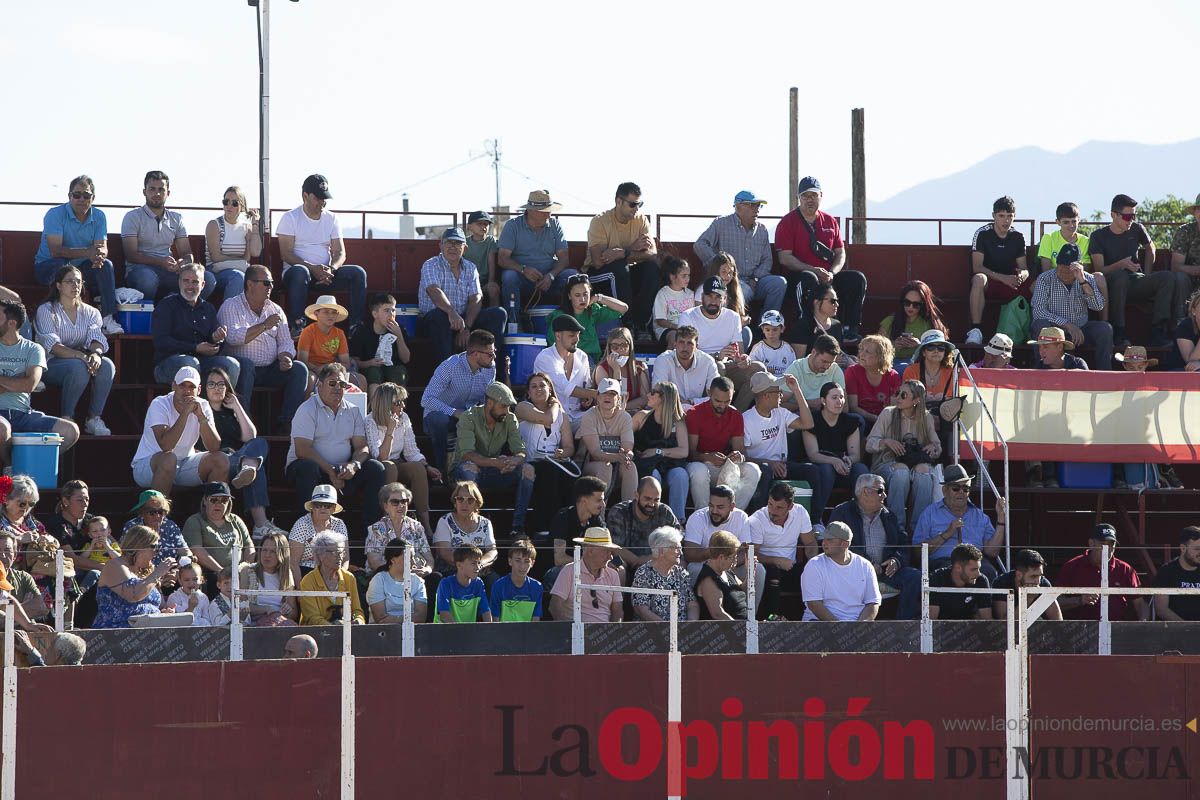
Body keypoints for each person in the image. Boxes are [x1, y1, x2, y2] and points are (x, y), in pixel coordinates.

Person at [285, 362, 387, 526]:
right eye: (332, 383)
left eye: (342, 384)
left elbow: (362, 446)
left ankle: (370, 531)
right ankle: (304, 528)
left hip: (342, 470)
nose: (338, 388)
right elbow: (302, 449)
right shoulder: (306, 409)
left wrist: (354, 465)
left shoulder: (353, 411)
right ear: (319, 386)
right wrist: (330, 470)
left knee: (375, 468)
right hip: (311, 469)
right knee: (307, 468)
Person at [1089, 193, 1188, 348]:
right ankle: (1119, 333)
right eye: (1127, 217)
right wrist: (1121, 264)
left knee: (1167, 277)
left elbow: (1151, 248)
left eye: (1134, 216)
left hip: (1136, 281)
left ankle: (1158, 331)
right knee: (1120, 276)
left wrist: (1147, 273)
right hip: (1112, 287)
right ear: (1113, 215)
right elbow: (1100, 270)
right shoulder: (1098, 236)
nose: (1131, 220)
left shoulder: (1137, 229)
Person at [218, 264, 309, 430]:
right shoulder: (231, 306)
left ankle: (287, 423)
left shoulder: (276, 309)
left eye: (272, 283)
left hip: (269, 369)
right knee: (245, 364)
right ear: (250, 284)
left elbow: (286, 342)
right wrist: (264, 326)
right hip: (241, 370)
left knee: (299, 369)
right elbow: (232, 338)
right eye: (266, 283)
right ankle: (242, 423)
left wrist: (285, 356)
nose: (271, 287)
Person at [775, 176, 866, 340]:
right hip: (801, 277)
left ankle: (850, 329)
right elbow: (784, 258)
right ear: (799, 198)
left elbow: (840, 252)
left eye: (814, 195)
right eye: (805, 196)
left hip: (828, 277)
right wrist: (813, 270)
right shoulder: (787, 222)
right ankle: (806, 325)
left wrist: (832, 272)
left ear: (821, 196)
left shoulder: (830, 221)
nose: (810, 200)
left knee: (857, 278)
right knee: (807, 277)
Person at [277, 174, 367, 336]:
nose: (322, 202)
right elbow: (286, 254)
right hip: (298, 276)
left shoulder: (332, 218)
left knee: (357, 273)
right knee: (299, 271)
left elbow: (340, 252)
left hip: (326, 274)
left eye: (324, 198)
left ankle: (356, 326)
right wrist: (313, 269)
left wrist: (331, 269)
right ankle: (297, 324)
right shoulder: (290, 218)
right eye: (318, 198)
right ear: (305, 196)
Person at [33, 174, 122, 333]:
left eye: (86, 195)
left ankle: (108, 318)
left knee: (106, 265)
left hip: (80, 269)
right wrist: (88, 253)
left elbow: (102, 247)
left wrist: (99, 255)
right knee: (62, 267)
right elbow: (55, 250)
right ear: (69, 196)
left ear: (93, 198)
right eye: (77, 195)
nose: (81, 199)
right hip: (47, 267)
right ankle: (55, 318)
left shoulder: (100, 216)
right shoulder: (54, 214)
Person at [828, 473, 921, 619]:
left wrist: (896, 560)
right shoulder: (842, 512)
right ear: (865, 492)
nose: (884, 495)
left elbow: (904, 544)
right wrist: (868, 564)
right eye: (880, 491)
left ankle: (905, 626)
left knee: (915, 577)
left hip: (886, 572)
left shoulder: (889, 515)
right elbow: (836, 544)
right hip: (854, 571)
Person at [35, 264, 115, 434]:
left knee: (107, 365)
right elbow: (53, 346)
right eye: (69, 281)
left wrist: (96, 354)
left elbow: (97, 338)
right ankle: (67, 418)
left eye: (78, 281)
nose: (75, 285)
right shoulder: (46, 310)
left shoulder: (91, 312)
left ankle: (94, 419)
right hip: (49, 365)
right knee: (79, 367)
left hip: (81, 360)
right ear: (58, 285)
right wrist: (81, 356)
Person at [451, 381, 533, 538]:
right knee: (469, 469)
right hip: (465, 470)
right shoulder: (468, 418)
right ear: (489, 403)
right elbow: (467, 454)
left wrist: (514, 461)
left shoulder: (509, 418)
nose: (507, 411)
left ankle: (518, 527)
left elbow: (521, 451)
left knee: (528, 470)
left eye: (509, 406)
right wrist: (496, 462)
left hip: (494, 470)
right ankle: (472, 525)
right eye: (503, 406)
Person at [0, 301, 79, 462]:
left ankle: (32, 467)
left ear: (11, 323)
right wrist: (18, 381)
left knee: (70, 431)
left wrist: (9, 383)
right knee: (2, 429)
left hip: (24, 414)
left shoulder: (33, 349)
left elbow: (30, 384)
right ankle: (9, 471)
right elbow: (24, 382)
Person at [131, 366, 229, 495]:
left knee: (221, 460)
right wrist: (185, 413)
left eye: (191, 387)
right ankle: (159, 512)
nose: (187, 391)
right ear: (173, 386)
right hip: (147, 466)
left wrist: (201, 417)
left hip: (183, 463)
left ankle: (211, 511)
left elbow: (214, 447)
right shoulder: (159, 404)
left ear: (199, 390)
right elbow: (166, 446)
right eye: (182, 386)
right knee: (169, 458)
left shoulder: (203, 405)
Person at [419, 227, 507, 367]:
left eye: (458, 243)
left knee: (498, 314)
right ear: (441, 246)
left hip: (465, 320)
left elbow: (476, 298)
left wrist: (466, 328)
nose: (453, 247)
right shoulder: (431, 265)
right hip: (436, 320)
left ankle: (490, 369)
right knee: (438, 316)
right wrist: (451, 312)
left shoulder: (471, 268)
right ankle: (447, 374)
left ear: (465, 248)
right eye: (449, 243)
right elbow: (434, 291)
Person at [203, 367, 275, 537]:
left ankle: (247, 469)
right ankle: (260, 524)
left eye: (221, 384)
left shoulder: (230, 412)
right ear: (204, 388)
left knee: (259, 444)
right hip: (216, 461)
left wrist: (236, 406)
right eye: (211, 384)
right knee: (256, 466)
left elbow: (250, 436)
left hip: (237, 459)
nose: (217, 388)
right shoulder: (200, 410)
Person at [121, 170, 211, 302]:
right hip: (139, 270)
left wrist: (183, 263)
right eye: (152, 189)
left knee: (207, 278)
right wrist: (160, 262)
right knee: (147, 279)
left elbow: (187, 253)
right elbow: (131, 255)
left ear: (168, 193)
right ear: (144, 192)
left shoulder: (176, 218)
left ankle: (184, 315)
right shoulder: (132, 217)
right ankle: (149, 318)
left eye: (161, 190)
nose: (157, 194)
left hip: (169, 271)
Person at [677, 276, 764, 410]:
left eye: (718, 296)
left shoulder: (733, 317)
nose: (713, 300)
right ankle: (716, 415)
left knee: (758, 370)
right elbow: (686, 353)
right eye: (709, 296)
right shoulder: (688, 316)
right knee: (718, 366)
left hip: (726, 365)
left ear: (724, 299)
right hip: (698, 368)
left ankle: (736, 414)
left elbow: (739, 352)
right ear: (702, 296)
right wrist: (717, 355)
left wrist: (742, 359)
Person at [583, 182, 660, 332]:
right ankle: (627, 324)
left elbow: (652, 255)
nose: (636, 209)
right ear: (618, 201)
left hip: (624, 273)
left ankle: (642, 325)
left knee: (651, 269)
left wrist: (624, 253)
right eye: (633, 204)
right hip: (597, 276)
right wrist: (631, 250)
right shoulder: (600, 221)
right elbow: (598, 261)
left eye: (639, 204)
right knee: (618, 269)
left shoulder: (641, 220)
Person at [693, 190, 786, 314]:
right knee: (742, 289)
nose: (757, 209)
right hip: (729, 281)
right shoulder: (721, 224)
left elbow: (767, 260)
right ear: (738, 207)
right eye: (752, 205)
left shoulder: (762, 230)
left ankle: (767, 325)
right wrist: (718, 265)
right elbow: (700, 245)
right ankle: (736, 328)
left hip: (755, 281)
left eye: (759, 206)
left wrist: (755, 279)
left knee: (778, 283)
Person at [865, 379, 940, 533]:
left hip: (915, 464)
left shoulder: (926, 418)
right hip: (886, 464)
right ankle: (896, 527)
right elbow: (869, 444)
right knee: (901, 472)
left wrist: (933, 448)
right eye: (897, 393)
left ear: (916, 400)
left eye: (903, 395)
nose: (898, 397)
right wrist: (886, 442)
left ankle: (919, 528)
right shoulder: (888, 413)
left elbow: (937, 447)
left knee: (924, 472)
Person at [151, 264, 241, 386]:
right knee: (190, 364)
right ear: (179, 282)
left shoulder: (208, 308)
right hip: (168, 363)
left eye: (195, 282)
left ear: (203, 285)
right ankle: (192, 404)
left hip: (202, 362)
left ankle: (223, 404)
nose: (190, 286)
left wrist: (216, 339)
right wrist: (195, 348)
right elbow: (161, 341)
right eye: (186, 281)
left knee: (231, 364)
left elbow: (214, 342)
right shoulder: (166, 305)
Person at [741, 372, 820, 511]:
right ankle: (756, 519)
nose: (781, 395)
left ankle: (815, 521)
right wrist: (770, 463)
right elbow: (742, 457)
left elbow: (808, 424)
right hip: (760, 468)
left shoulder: (781, 412)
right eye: (778, 391)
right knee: (765, 472)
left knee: (812, 471)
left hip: (782, 466)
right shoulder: (745, 420)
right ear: (766, 396)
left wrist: (797, 390)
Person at [422, 329, 498, 472]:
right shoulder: (449, 366)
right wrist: (455, 413)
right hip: (441, 418)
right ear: (475, 354)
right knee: (439, 420)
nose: (494, 356)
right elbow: (426, 399)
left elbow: (485, 398)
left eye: (494, 351)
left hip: (469, 417)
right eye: (490, 353)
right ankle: (442, 471)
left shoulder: (490, 367)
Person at [912, 464, 1006, 579]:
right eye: (956, 488)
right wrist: (946, 534)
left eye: (965, 488)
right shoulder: (930, 513)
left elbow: (992, 552)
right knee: (950, 573)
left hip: (974, 562)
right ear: (945, 490)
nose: (961, 492)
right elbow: (917, 552)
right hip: (943, 562)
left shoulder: (980, 517)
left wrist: (1001, 518)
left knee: (990, 572)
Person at [365, 383, 437, 531]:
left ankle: (426, 525)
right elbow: (380, 457)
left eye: (403, 401)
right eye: (398, 403)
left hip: (398, 463)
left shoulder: (404, 417)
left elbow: (411, 451)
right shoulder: (370, 421)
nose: (403, 406)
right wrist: (390, 429)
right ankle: (388, 521)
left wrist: (426, 466)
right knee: (390, 467)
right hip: (380, 467)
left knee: (417, 468)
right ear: (386, 405)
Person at [681, 484, 765, 607]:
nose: (714, 511)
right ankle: (697, 617)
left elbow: (747, 551)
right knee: (693, 569)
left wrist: (728, 562)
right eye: (711, 505)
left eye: (720, 507)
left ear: (732, 506)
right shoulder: (697, 518)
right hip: (705, 565)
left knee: (759, 570)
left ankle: (748, 618)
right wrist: (715, 553)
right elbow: (689, 554)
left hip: (732, 564)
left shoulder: (741, 517)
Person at [1030, 243, 1111, 370]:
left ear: (1078, 267)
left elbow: (1098, 306)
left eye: (1070, 268)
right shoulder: (1045, 278)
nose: (1064, 271)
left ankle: (1105, 375)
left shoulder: (1087, 279)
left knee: (1105, 329)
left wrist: (1083, 282)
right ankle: (1040, 371)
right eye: (1061, 266)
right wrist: (1067, 325)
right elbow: (1038, 311)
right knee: (1039, 325)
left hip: (1081, 329)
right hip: (1055, 330)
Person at [685, 376, 761, 511]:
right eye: (718, 401)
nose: (722, 405)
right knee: (699, 471)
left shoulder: (736, 415)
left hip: (724, 466)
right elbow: (690, 453)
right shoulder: (694, 413)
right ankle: (702, 516)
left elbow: (740, 451)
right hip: (702, 464)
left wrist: (738, 456)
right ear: (709, 394)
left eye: (727, 401)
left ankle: (734, 514)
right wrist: (707, 457)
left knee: (752, 470)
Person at [497, 190, 577, 316]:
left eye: (549, 211)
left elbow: (564, 258)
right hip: (522, 279)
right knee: (509, 277)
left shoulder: (555, 225)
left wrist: (551, 276)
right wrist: (523, 269)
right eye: (545, 211)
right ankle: (514, 322)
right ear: (530, 211)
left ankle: (570, 322)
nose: (549, 215)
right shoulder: (512, 226)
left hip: (550, 279)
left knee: (572, 276)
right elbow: (502, 259)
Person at [365, 482, 438, 618]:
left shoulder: (416, 527)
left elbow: (429, 558)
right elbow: (374, 562)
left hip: (414, 576)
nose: (401, 505)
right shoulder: (376, 529)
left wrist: (426, 570)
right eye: (395, 502)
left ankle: (427, 624)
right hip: (385, 576)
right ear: (385, 506)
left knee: (434, 578)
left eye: (404, 501)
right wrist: (401, 571)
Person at [515, 372, 576, 535]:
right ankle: (544, 527)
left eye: (542, 385)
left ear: (549, 388)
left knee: (566, 474)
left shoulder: (562, 416)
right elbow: (548, 419)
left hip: (554, 461)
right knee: (548, 472)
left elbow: (570, 447)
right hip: (529, 462)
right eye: (533, 386)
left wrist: (563, 452)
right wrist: (555, 404)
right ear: (528, 392)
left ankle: (567, 527)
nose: (538, 389)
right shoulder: (523, 407)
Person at [966, 196, 1030, 345]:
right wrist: (1003, 278)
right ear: (994, 216)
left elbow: (1024, 268)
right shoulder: (983, 234)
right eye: (1001, 216)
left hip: (1011, 283)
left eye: (1010, 216)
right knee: (978, 279)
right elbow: (977, 267)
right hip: (990, 282)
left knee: (1038, 284)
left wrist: (1022, 275)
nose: (1006, 221)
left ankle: (1033, 332)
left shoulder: (1018, 236)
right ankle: (976, 330)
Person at [749, 481, 816, 618]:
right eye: (770, 505)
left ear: (790, 506)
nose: (773, 511)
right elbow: (751, 554)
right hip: (765, 566)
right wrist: (776, 561)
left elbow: (810, 543)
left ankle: (807, 619)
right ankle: (770, 618)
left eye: (779, 507)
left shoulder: (800, 512)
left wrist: (813, 563)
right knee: (773, 575)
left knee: (814, 574)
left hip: (790, 565)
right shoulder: (757, 519)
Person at [1057, 524, 1148, 621]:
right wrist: (1080, 600)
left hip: (1117, 629)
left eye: (1111, 544)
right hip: (1080, 631)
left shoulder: (1125, 569)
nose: (1108, 548)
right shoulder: (1072, 567)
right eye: (1103, 544)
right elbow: (1055, 603)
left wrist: (1143, 625)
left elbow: (1140, 604)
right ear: (1091, 543)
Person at [804, 382, 870, 514]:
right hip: (821, 465)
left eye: (841, 397)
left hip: (843, 466)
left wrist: (848, 460)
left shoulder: (850, 421)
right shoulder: (811, 421)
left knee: (861, 469)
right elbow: (813, 454)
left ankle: (861, 514)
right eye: (834, 397)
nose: (839, 401)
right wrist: (834, 461)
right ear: (823, 400)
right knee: (826, 470)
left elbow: (855, 454)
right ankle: (817, 518)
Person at [92, 525, 176, 628]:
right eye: (154, 547)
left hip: (150, 634)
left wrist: (166, 612)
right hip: (116, 633)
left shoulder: (149, 572)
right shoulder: (115, 565)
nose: (156, 553)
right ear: (138, 546)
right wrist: (158, 573)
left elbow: (161, 605)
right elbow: (133, 595)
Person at [630, 382, 690, 519]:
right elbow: (626, 439)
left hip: (669, 464)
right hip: (646, 464)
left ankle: (677, 520)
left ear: (663, 398)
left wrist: (658, 451)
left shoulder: (678, 422)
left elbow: (683, 451)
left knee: (680, 475)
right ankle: (654, 518)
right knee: (654, 477)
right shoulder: (642, 417)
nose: (648, 395)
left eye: (653, 392)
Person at [1037, 202, 1108, 318]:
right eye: (1066, 222)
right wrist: (1062, 273)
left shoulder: (1085, 240)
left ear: (1078, 220)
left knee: (1099, 277)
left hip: (1077, 279)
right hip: (1055, 278)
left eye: (1074, 221)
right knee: (1038, 283)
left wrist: (1075, 276)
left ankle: (1105, 320)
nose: (1071, 225)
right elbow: (1045, 268)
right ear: (1058, 222)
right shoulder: (1049, 238)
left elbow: (1086, 267)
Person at [800, 521, 881, 622]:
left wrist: (860, 628)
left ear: (844, 544)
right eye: (823, 538)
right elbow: (813, 603)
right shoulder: (814, 565)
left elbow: (873, 603)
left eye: (829, 539)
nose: (824, 543)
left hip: (856, 627)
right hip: (820, 625)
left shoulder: (866, 566)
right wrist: (840, 629)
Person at [182, 481, 254, 589]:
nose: (219, 504)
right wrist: (222, 572)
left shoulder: (236, 520)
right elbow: (196, 550)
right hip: (211, 575)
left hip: (240, 574)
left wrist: (243, 569)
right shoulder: (194, 521)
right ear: (205, 500)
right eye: (214, 500)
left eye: (224, 500)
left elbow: (250, 547)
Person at [545, 273, 627, 364]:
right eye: (577, 295)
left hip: (590, 360)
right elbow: (553, 344)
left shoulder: (593, 311)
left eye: (585, 294)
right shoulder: (559, 316)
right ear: (569, 296)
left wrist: (599, 298)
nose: (583, 299)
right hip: (566, 359)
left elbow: (623, 308)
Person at [533, 315, 594, 433]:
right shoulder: (545, 357)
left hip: (577, 417)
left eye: (578, 334)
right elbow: (565, 388)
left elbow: (586, 388)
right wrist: (598, 394)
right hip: (551, 419)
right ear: (558, 336)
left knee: (602, 415)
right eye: (571, 335)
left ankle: (583, 450)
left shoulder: (583, 357)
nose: (576, 339)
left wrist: (586, 399)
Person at [578, 378, 636, 503]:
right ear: (597, 397)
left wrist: (627, 455)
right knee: (605, 467)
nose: (608, 397)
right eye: (604, 393)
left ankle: (630, 513)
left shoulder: (625, 418)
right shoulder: (589, 416)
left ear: (618, 399)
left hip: (616, 465)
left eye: (613, 394)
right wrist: (617, 457)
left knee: (630, 466)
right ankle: (600, 516)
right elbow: (595, 452)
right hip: (590, 465)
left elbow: (627, 448)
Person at [548, 527, 623, 622]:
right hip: (576, 633)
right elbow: (555, 606)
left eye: (611, 552)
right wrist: (569, 631)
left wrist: (614, 632)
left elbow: (618, 610)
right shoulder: (569, 571)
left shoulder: (613, 575)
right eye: (606, 551)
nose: (610, 557)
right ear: (591, 551)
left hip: (605, 633)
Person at [607, 476, 680, 573]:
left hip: (656, 560)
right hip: (625, 560)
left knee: (680, 563)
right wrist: (637, 561)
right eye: (647, 499)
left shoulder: (665, 513)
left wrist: (649, 559)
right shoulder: (619, 512)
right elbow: (614, 547)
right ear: (637, 495)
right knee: (617, 568)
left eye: (656, 500)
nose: (652, 504)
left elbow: (676, 543)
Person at [431, 481, 498, 582]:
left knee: (493, 579)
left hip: (479, 570)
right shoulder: (445, 521)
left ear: (477, 504)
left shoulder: (485, 523)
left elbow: (492, 551)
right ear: (455, 502)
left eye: (470, 500)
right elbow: (444, 552)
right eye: (460, 499)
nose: (464, 503)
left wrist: (480, 564)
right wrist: (465, 567)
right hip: (452, 569)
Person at [204, 185, 262, 299]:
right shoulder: (214, 225)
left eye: (234, 203)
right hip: (215, 272)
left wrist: (255, 224)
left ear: (242, 206)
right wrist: (240, 263)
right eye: (226, 202)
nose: (229, 206)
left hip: (237, 271)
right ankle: (228, 314)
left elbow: (255, 253)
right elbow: (215, 257)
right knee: (238, 277)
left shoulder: (247, 227)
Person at [297, 295, 364, 391]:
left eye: (334, 312)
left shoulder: (339, 333)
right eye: (326, 312)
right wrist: (319, 369)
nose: (331, 315)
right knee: (310, 380)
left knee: (361, 379)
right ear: (316, 313)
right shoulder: (307, 332)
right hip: (313, 370)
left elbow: (346, 363)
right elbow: (302, 361)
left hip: (333, 370)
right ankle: (307, 406)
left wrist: (328, 369)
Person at [298, 531, 365, 625]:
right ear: (321, 555)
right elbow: (312, 617)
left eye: (342, 552)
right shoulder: (308, 581)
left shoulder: (349, 578)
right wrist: (335, 628)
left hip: (347, 633)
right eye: (335, 553)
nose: (340, 557)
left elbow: (357, 611)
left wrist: (358, 621)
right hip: (318, 634)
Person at [631, 527, 699, 621]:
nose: (680, 552)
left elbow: (692, 604)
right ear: (661, 551)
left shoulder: (681, 573)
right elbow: (641, 609)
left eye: (680, 548)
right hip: (654, 631)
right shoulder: (644, 573)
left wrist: (690, 624)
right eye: (676, 548)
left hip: (682, 631)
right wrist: (668, 629)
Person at [287, 484, 348, 585]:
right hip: (306, 573)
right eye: (318, 505)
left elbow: (345, 559)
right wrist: (301, 592)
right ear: (312, 508)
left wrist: (340, 579)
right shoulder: (302, 524)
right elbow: (293, 563)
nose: (322, 508)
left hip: (334, 573)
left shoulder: (339, 525)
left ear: (333, 509)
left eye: (327, 506)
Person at [349, 293, 410, 393]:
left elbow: (406, 359)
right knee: (374, 372)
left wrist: (399, 335)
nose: (391, 314)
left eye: (393, 310)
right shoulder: (362, 332)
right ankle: (375, 408)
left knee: (399, 372)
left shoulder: (400, 330)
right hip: (371, 369)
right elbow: (354, 362)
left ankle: (397, 407)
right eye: (386, 311)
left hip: (393, 368)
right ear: (375, 314)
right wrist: (369, 363)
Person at [879, 281, 949, 364]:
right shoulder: (889, 322)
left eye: (916, 304)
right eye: (907, 303)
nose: (910, 307)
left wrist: (920, 345)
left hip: (922, 364)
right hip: (891, 363)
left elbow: (941, 349)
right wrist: (893, 345)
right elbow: (877, 348)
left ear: (923, 304)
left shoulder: (931, 323)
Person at [651, 325, 718, 412]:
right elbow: (658, 393)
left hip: (698, 410)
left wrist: (691, 402)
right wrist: (680, 404)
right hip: (670, 410)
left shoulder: (707, 361)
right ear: (675, 344)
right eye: (681, 342)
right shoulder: (663, 360)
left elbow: (716, 395)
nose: (685, 348)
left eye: (690, 343)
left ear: (696, 346)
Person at [547, 475, 608, 568]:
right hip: (560, 571)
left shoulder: (596, 520)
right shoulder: (563, 517)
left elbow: (605, 548)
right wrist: (588, 563)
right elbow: (559, 559)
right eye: (599, 500)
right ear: (584, 501)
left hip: (586, 567)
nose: (603, 504)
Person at [694, 253, 753, 347]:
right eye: (724, 272)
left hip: (727, 332)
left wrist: (741, 321)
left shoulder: (734, 290)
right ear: (715, 272)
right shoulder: (703, 289)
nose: (728, 276)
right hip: (708, 332)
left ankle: (734, 360)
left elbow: (736, 317)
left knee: (746, 332)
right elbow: (700, 318)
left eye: (730, 273)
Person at [240, 531, 299, 626]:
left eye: (273, 551)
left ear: (282, 554)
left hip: (279, 621)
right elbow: (242, 606)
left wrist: (288, 611)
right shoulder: (247, 571)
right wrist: (267, 609)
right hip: (255, 622)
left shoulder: (286, 574)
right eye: (264, 550)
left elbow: (294, 614)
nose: (267, 555)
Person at [366, 538, 428, 624]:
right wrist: (408, 619)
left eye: (413, 557)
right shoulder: (378, 581)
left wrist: (393, 619)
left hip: (412, 634)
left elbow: (421, 617)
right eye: (408, 558)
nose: (413, 562)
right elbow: (381, 619)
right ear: (392, 559)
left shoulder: (418, 582)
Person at [844, 334, 901, 427]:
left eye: (867, 352)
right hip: (863, 419)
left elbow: (893, 408)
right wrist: (874, 418)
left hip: (886, 420)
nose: (861, 354)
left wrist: (882, 421)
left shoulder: (893, 376)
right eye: (861, 349)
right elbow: (852, 407)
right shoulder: (852, 371)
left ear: (881, 356)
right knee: (856, 420)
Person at [991, 548, 1061, 621]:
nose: (1038, 581)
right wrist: (1028, 599)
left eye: (1040, 576)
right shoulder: (1002, 583)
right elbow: (1004, 624)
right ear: (1018, 575)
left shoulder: (1044, 583)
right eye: (1033, 576)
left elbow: (1057, 620)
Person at [123, 490, 189, 567]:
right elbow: (125, 557)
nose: (157, 516)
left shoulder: (170, 526)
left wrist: (176, 571)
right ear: (142, 512)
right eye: (152, 512)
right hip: (141, 574)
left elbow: (185, 553)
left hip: (171, 574)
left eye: (161, 512)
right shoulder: (132, 526)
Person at [692, 530, 748, 620]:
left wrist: (750, 572)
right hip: (727, 630)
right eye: (733, 557)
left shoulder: (727, 571)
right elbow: (718, 614)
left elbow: (741, 589)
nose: (735, 561)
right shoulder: (708, 580)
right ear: (721, 557)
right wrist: (742, 629)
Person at [928, 543, 993, 620]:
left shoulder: (981, 580)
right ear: (958, 567)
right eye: (973, 569)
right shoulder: (936, 578)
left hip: (969, 629)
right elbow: (931, 622)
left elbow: (987, 620)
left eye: (979, 569)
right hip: (940, 629)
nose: (978, 573)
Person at [783, 334, 845, 413]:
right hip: (799, 415)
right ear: (814, 352)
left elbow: (844, 407)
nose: (827, 366)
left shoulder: (835, 369)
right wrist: (807, 404)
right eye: (824, 361)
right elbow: (780, 404)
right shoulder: (795, 369)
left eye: (831, 363)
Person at [593, 326, 649, 413]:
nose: (619, 350)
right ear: (609, 348)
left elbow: (645, 399)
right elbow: (609, 400)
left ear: (630, 347)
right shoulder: (602, 369)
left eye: (624, 345)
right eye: (615, 346)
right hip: (608, 414)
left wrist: (623, 408)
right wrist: (616, 370)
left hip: (633, 412)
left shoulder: (640, 367)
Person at [1151, 526, 1200, 621]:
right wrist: (1187, 628)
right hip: (1175, 632)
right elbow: (1161, 609)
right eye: (1197, 549)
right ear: (1183, 548)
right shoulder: (1166, 572)